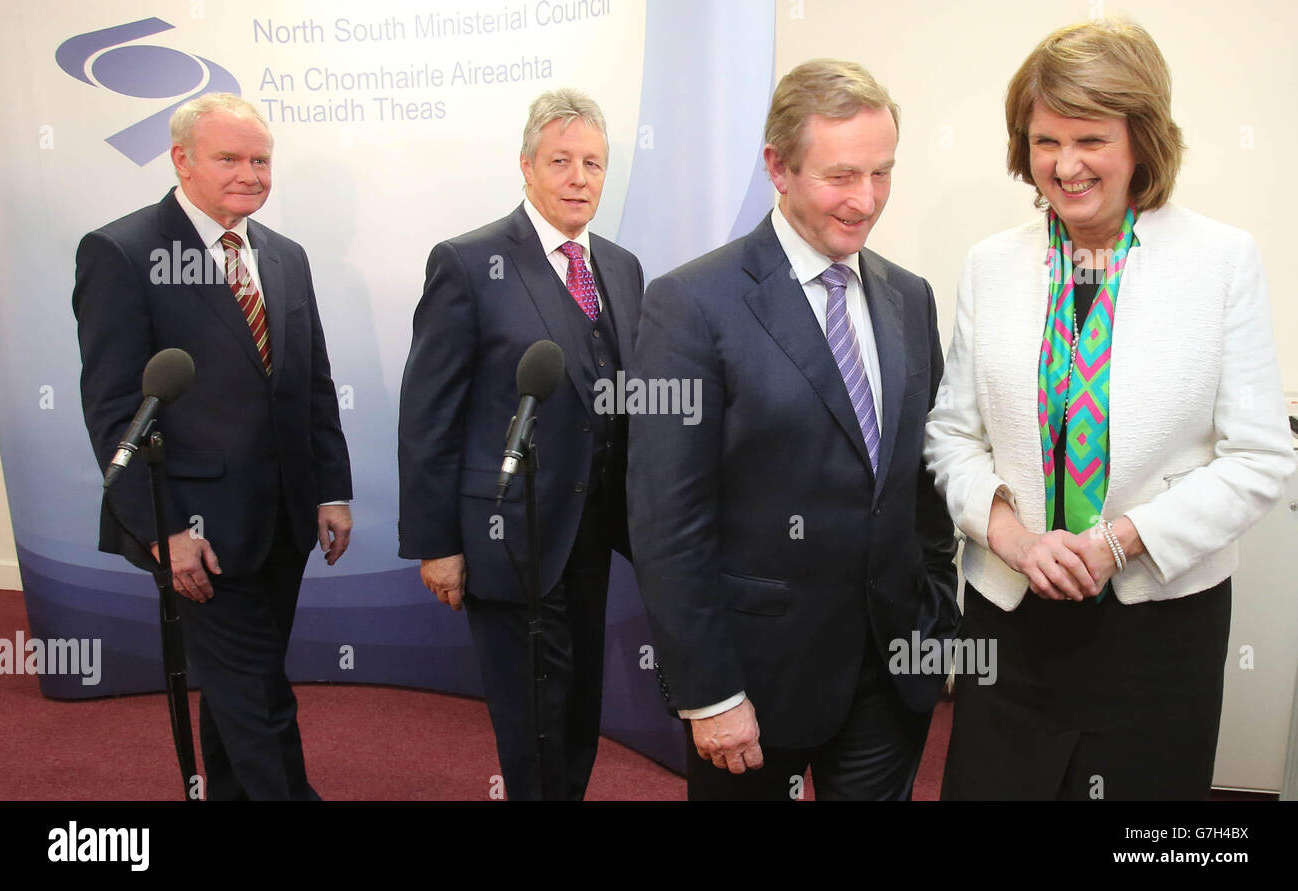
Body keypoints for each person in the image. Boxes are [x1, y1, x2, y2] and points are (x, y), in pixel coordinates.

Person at [924, 20, 1296, 800]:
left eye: (1091, 138)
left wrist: (1119, 542)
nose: (1065, 165)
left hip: (1156, 626)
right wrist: (1015, 538)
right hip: (1011, 615)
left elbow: (1261, 457)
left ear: (1142, 143)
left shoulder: (1221, 263)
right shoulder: (993, 265)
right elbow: (952, 437)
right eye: (1044, 140)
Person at [628, 59, 959, 800]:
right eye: (841, 175)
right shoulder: (689, 304)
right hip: (754, 683)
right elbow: (665, 520)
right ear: (777, 167)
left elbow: (923, 484)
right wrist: (709, 693)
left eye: (882, 173)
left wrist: (935, 618)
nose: (866, 199)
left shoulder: (910, 297)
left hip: (891, 676)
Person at [74, 93, 354, 800]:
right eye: (229, 157)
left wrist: (330, 487)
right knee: (258, 693)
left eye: (260, 159)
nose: (250, 173)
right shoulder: (122, 251)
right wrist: (163, 530)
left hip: (284, 520)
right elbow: (115, 411)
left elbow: (312, 383)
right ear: (182, 160)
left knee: (241, 687)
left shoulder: (285, 257)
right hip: (194, 529)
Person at [397, 89, 644, 801]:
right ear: (527, 167)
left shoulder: (621, 267)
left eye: (593, 163)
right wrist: (437, 542)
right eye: (561, 161)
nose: (579, 178)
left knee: (578, 713)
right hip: (507, 536)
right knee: (531, 720)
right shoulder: (469, 262)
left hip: (596, 538)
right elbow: (428, 414)